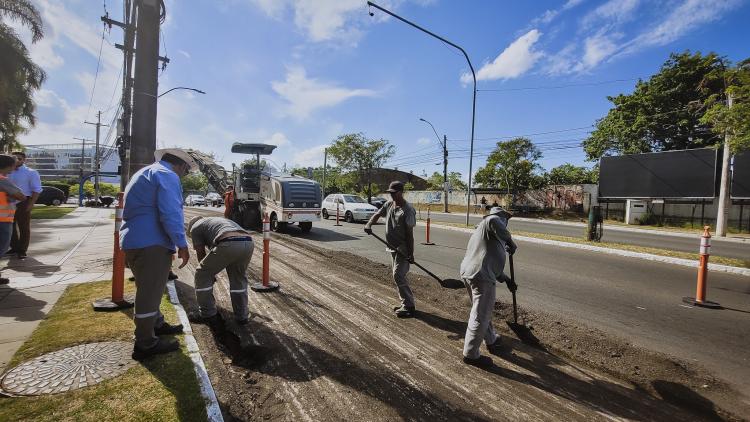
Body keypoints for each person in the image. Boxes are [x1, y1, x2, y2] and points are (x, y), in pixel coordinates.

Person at [120, 148, 197, 361]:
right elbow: (170, 212)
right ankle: (145, 342)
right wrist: (181, 243)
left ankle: (157, 324)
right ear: (180, 166)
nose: (184, 176)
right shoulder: (167, 175)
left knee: (149, 287)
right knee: (149, 292)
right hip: (151, 241)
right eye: (186, 172)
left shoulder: (146, 173)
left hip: (135, 238)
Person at [459, 206, 518, 368]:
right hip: (480, 275)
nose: (505, 223)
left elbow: (491, 261)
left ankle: (491, 339)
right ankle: (471, 354)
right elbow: (493, 220)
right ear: (501, 218)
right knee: (480, 314)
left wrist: (506, 280)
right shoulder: (490, 221)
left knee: (482, 311)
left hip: (473, 273)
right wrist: (510, 242)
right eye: (505, 219)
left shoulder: (487, 234)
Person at [187, 215, 254, 325]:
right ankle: (242, 316)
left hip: (228, 242)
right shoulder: (214, 221)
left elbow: (200, 253)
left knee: (201, 274)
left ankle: (207, 314)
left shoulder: (195, 228)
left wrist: (209, 274)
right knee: (238, 278)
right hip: (248, 242)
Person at [364, 181, 417, 318]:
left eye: (394, 193)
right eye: (390, 193)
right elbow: (377, 214)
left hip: (403, 247)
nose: (391, 195)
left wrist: (410, 254)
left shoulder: (408, 210)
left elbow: (410, 235)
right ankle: (404, 302)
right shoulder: (389, 204)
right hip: (392, 247)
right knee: (397, 275)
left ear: (400, 192)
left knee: (398, 275)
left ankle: (409, 306)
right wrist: (369, 224)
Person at [7, 151, 42, 259]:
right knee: (9, 227)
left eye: (20, 158)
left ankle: (22, 250)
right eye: (15, 158)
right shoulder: (6, 171)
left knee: (24, 227)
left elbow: (37, 190)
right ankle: (14, 247)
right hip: (7, 202)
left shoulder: (31, 172)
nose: (17, 160)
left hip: (23, 202)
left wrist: (31, 204)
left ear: (24, 160)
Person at [0, 155, 26, 284]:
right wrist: (10, 195)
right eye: (13, 165)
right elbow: (21, 196)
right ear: (9, 166)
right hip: (2, 219)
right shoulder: (2, 180)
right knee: (2, 247)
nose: (14, 167)